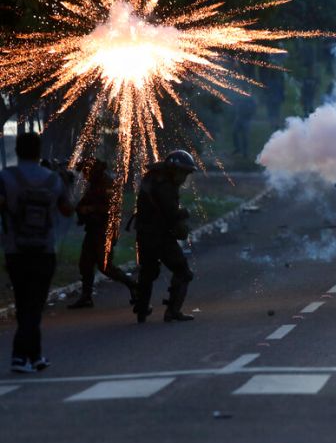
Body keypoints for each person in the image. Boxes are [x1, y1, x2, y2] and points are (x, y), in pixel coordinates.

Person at [0, 132, 73, 373]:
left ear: (18, 151)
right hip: (44, 251)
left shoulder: (5, 177)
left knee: (24, 303)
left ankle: (35, 355)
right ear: (39, 151)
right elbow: (67, 210)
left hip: (15, 251)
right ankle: (21, 357)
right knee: (34, 305)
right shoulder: (52, 180)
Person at [132, 150, 197, 324]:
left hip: (145, 234)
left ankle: (142, 310)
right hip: (159, 236)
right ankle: (173, 311)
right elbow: (170, 213)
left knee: (147, 272)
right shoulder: (165, 186)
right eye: (183, 173)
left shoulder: (153, 179)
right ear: (173, 169)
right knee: (183, 272)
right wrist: (185, 213)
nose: (184, 178)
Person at [68, 159, 136, 309]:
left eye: (86, 172)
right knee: (85, 264)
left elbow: (113, 209)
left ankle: (133, 286)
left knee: (105, 266)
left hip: (105, 230)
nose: (84, 175)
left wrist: (91, 209)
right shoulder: (93, 185)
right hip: (93, 229)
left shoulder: (108, 184)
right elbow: (83, 202)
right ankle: (86, 297)